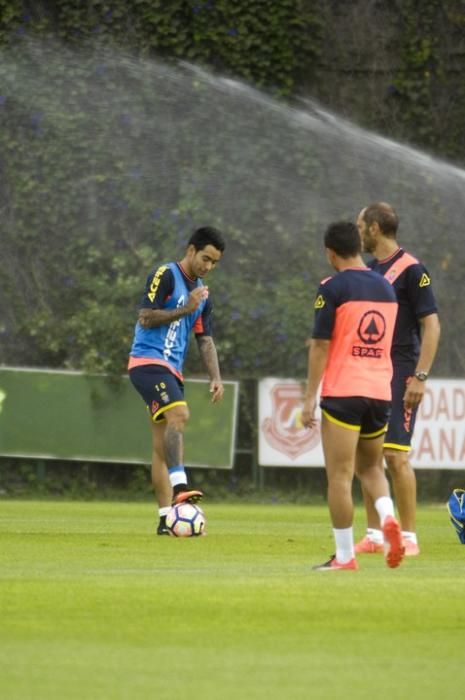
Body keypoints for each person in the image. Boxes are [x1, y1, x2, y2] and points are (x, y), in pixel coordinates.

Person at [302, 221, 404, 571]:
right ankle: (389, 518)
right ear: (359, 247)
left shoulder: (332, 287)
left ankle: (344, 557)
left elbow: (319, 345)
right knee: (373, 469)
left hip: (344, 392)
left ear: (331, 253)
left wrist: (307, 398)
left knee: (340, 477)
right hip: (380, 391)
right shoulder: (387, 288)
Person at [354, 203, 440, 556]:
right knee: (368, 455)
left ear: (374, 228)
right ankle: (374, 536)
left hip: (402, 371)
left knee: (395, 456)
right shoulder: (372, 271)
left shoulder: (411, 269)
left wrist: (419, 376)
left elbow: (431, 325)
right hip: (370, 371)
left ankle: (409, 537)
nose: (358, 231)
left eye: (361, 225)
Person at [128, 226, 225, 535]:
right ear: (191, 249)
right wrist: (186, 307)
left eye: (214, 263)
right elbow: (146, 316)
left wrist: (216, 377)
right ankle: (181, 486)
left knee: (160, 447)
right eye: (205, 258)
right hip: (147, 363)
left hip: (171, 370)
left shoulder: (202, 295)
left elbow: (205, 340)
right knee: (180, 414)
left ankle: (165, 517)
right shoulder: (166, 274)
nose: (207, 267)